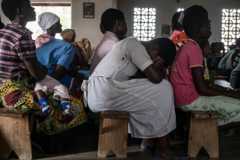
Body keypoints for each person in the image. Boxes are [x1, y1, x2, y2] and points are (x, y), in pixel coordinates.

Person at [0, 0, 86, 135]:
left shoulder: (4, 31)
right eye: (28, 5)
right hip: (16, 96)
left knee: (51, 93)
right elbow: (37, 74)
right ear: (19, 11)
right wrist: (45, 72)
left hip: (3, 90)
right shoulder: (22, 35)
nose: (32, 8)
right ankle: (46, 137)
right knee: (75, 106)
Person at [83, 37, 176, 159]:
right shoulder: (134, 45)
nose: (154, 62)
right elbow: (156, 78)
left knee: (158, 92)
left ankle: (149, 139)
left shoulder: (136, 50)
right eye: (159, 61)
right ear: (155, 50)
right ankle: (162, 146)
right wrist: (160, 68)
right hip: (104, 92)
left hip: (107, 91)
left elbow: (145, 80)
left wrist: (158, 70)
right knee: (164, 87)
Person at [170, 5, 240, 126]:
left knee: (229, 101)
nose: (210, 24)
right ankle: (208, 126)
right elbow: (202, 89)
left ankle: (207, 126)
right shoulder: (193, 48)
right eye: (207, 23)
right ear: (199, 28)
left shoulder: (188, 45)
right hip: (190, 100)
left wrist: (226, 92)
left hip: (182, 98)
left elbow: (203, 85)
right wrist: (231, 94)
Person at [36, 12, 75, 88]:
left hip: (37, 81)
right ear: (51, 26)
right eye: (58, 23)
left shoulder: (36, 41)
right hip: (56, 85)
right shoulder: (67, 46)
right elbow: (59, 72)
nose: (61, 25)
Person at [90, 8, 127, 73]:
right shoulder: (114, 45)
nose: (126, 26)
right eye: (124, 23)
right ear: (118, 24)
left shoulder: (106, 41)